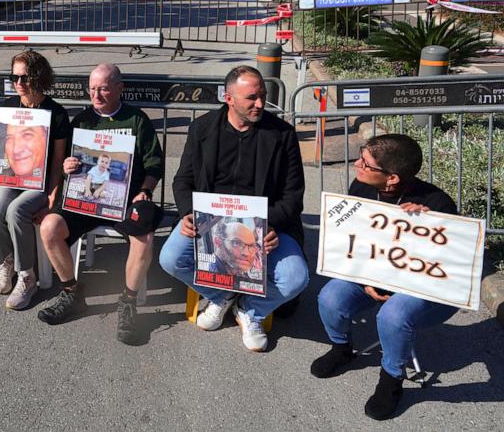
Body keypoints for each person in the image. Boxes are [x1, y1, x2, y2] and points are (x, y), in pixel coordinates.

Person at [159, 65, 308, 352]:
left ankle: (250, 310)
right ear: (229, 98)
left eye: (262, 96)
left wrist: (270, 226)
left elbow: (293, 197)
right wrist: (187, 213)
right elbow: (183, 180)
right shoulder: (202, 128)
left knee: (295, 279)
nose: (260, 104)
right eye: (251, 98)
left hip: (265, 225)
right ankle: (221, 295)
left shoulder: (282, 134)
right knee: (171, 258)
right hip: (210, 222)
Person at [311, 134, 459, 421]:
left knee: (392, 315)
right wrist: (366, 280)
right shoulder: (362, 187)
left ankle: (391, 379)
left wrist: (429, 226)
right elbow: (351, 244)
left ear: (391, 178)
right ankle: (341, 348)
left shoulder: (437, 203)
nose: (357, 165)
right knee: (330, 297)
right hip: (371, 276)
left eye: (365, 163)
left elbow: (447, 267)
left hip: (423, 289)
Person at [38, 63, 164, 345]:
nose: (96, 94)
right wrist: (67, 166)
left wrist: (144, 190)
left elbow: (155, 164)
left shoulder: (137, 120)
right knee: (49, 227)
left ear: (120, 88)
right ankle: (72, 293)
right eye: (92, 88)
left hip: (124, 200)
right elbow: (66, 161)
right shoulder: (81, 122)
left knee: (144, 233)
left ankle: (128, 302)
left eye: (103, 88)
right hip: (86, 199)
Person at [0, 50, 69, 311]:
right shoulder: (8, 106)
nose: (19, 83)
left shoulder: (57, 113)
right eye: (14, 77)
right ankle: (5, 263)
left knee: (16, 210)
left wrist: (52, 198)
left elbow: (56, 162)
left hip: (39, 184)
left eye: (24, 77)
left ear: (38, 77)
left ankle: (27, 276)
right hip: (10, 178)